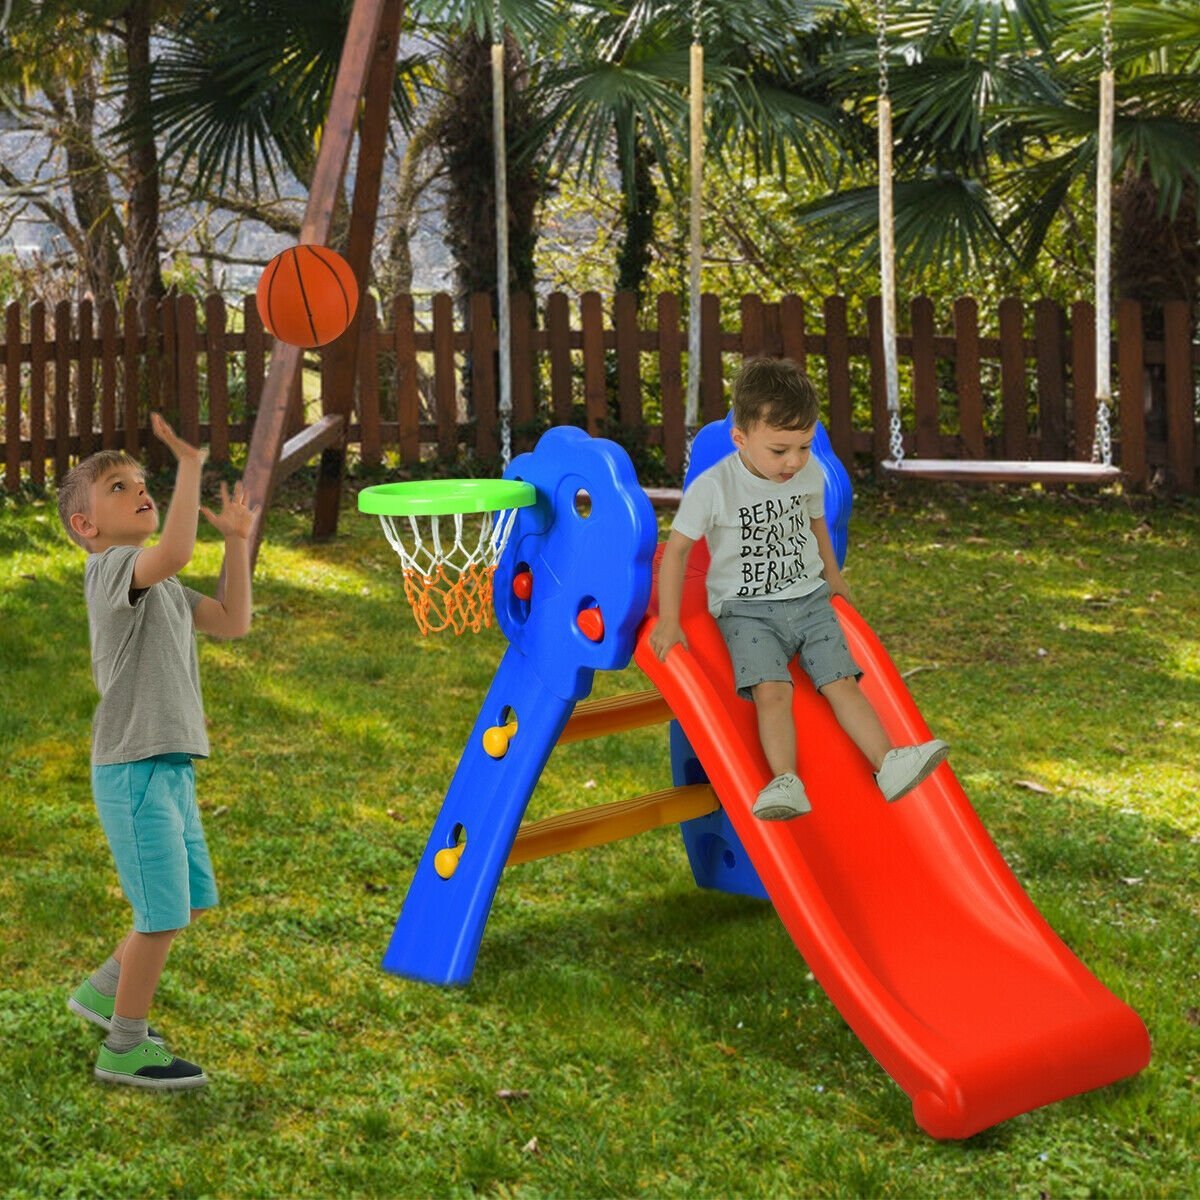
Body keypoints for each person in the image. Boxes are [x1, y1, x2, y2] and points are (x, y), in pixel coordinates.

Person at [648, 357, 948, 821]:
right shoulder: (714, 488)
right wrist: (669, 619)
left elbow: (816, 524)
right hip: (747, 610)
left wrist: (833, 574)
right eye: (779, 449)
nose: (793, 461)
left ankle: (889, 763)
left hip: (807, 599)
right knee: (772, 691)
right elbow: (678, 552)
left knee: (841, 682)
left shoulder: (807, 473)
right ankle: (785, 780)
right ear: (741, 439)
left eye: (804, 446)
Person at [57, 413, 257, 1089]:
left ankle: (102, 991)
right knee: (161, 915)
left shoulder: (161, 586)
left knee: (191, 901)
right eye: (120, 487)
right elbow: (171, 552)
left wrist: (235, 544)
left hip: (168, 767)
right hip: (134, 767)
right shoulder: (113, 570)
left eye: (144, 482)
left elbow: (232, 623)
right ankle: (125, 1046)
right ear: (87, 526)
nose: (140, 491)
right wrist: (191, 467)